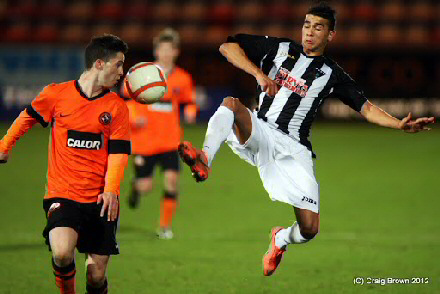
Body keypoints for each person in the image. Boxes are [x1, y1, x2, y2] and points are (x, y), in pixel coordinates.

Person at [178, 2, 435, 277]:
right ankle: (204, 158)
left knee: (309, 229)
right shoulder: (279, 49)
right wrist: (258, 74)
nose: (310, 32)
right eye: (307, 25)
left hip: (294, 149)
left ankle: (280, 239)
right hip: (261, 131)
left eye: (318, 27)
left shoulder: (332, 74)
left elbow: (367, 108)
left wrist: (399, 124)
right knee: (230, 104)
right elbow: (227, 47)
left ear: (330, 35)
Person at [0, 34, 130, 293]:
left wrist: (111, 189)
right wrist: (4, 146)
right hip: (63, 193)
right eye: (118, 64)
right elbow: (26, 118)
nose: (122, 72)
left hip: (100, 199)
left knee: (95, 276)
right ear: (100, 64)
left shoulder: (116, 107)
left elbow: (118, 153)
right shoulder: (56, 94)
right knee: (61, 253)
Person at [125, 28, 197, 239]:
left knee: (172, 180)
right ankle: (136, 189)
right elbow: (126, 100)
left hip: (170, 140)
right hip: (145, 140)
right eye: (162, 49)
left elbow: (189, 101)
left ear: (176, 52)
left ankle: (165, 227)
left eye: (170, 49)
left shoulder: (183, 78)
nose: (165, 53)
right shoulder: (143, 74)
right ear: (156, 51)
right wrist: (133, 117)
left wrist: (191, 112)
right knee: (146, 185)